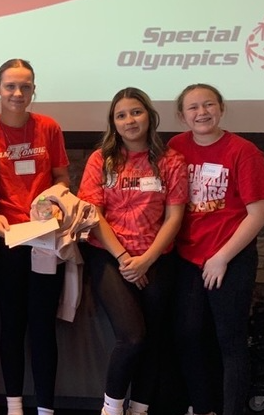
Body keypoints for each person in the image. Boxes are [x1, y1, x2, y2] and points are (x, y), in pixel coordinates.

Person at [168, 84, 264, 415]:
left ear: (221, 108)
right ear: (181, 115)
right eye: (193, 108)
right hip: (188, 257)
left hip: (230, 258)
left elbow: (259, 213)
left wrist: (221, 258)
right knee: (187, 335)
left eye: (209, 105)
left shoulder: (243, 151)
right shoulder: (175, 147)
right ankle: (204, 407)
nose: (202, 113)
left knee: (230, 341)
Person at [77, 87, 187, 415]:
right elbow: (93, 214)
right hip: (110, 257)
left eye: (136, 112)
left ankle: (139, 409)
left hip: (157, 258)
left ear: (150, 117)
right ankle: (111, 409)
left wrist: (146, 260)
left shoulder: (171, 160)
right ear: (113, 122)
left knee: (153, 339)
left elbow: (175, 216)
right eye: (121, 115)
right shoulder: (101, 159)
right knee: (133, 337)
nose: (130, 120)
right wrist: (125, 259)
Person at [0, 58, 70, 415]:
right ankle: (14, 406)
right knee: (12, 325)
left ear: (33, 90)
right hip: (7, 240)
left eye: (25, 86)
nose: (18, 93)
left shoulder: (49, 128)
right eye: (10, 86)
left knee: (43, 327)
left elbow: (62, 178)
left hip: (45, 240)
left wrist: (54, 202)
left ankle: (45, 408)